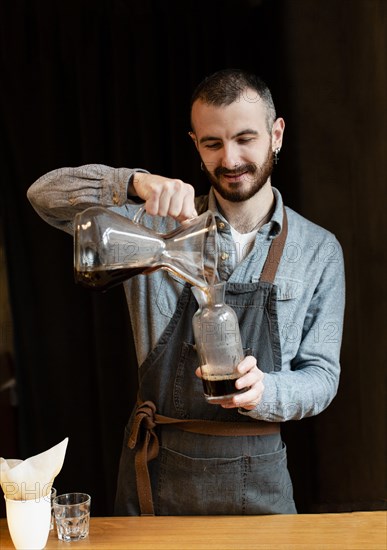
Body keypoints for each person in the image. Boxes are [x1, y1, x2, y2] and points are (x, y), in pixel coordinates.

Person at [27, 68, 345, 516]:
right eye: (212, 143)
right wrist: (134, 183)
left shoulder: (318, 250)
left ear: (276, 135)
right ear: (195, 143)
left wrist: (265, 392)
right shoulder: (150, 226)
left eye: (245, 139)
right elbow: (44, 195)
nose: (230, 159)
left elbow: (322, 376)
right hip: (156, 478)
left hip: (263, 485)